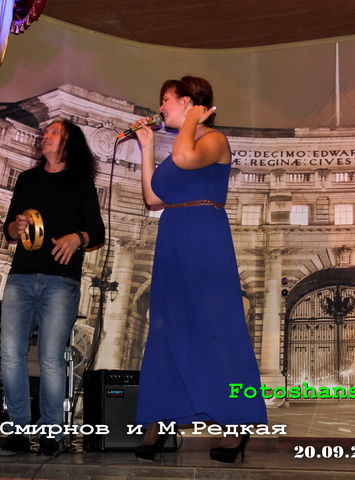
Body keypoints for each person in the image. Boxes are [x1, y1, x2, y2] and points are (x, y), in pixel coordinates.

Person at [132, 76, 267, 463]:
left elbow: (185, 160)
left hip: (204, 235)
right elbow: (153, 197)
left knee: (217, 328)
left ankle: (236, 425)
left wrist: (191, 119)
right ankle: (159, 420)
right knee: (165, 328)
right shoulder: (178, 146)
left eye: (167, 100)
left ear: (189, 102)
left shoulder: (214, 140)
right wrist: (146, 147)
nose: (161, 107)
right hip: (173, 235)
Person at [0, 119, 105, 456]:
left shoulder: (81, 182)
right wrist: (16, 227)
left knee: (51, 358)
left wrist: (78, 238)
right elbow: (8, 231)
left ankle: (51, 434)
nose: (46, 136)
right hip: (21, 277)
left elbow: (97, 232)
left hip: (61, 281)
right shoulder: (27, 179)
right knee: (10, 354)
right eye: (45, 132)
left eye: (54, 132)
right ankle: (18, 430)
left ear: (70, 142)